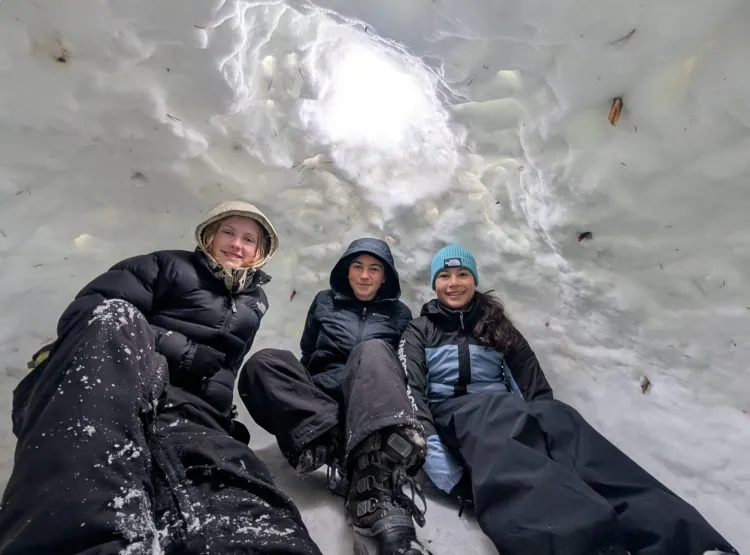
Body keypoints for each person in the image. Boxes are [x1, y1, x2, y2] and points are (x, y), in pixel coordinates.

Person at [0, 201, 323, 555]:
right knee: (115, 318)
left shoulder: (253, 302)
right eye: (228, 232)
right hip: (121, 380)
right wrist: (180, 349)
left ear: (260, 251)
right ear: (209, 235)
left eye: (249, 239)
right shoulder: (166, 265)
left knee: (242, 502)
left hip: (191, 413)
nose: (236, 244)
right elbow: (90, 312)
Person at [399, 244, 739, 555]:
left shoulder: (495, 325)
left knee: (563, 421)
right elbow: (411, 392)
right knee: (506, 432)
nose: (454, 283)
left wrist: (544, 427)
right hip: (456, 419)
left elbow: (533, 386)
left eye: (462, 274)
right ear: (434, 284)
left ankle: (688, 542)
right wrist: (443, 468)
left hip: (505, 413)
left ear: (474, 280)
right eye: (444, 276)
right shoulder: (420, 330)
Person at [240, 238, 430, 555]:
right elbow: (308, 352)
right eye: (358, 267)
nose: (365, 276)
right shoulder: (324, 302)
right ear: (346, 270)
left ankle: (371, 465)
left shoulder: (399, 314)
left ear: (385, 276)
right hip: (324, 402)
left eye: (374, 269)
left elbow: (401, 366)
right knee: (264, 363)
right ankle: (330, 440)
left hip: (370, 400)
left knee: (372, 349)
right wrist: (300, 396)